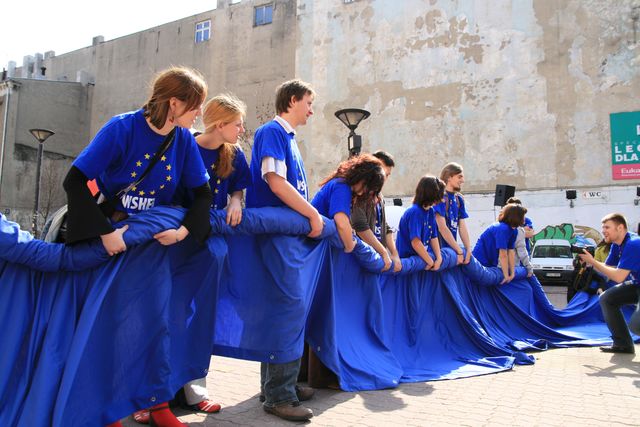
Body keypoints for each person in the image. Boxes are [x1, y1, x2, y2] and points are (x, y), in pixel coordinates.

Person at [62, 66, 212, 427]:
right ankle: (107, 409)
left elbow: (202, 193)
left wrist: (184, 232)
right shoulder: (121, 128)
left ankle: (157, 405)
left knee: (156, 324)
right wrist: (105, 233)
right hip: (114, 243)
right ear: (173, 103)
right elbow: (75, 181)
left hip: (155, 248)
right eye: (194, 105)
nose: (199, 114)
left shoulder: (183, 139)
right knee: (110, 326)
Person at [245, 79, 323, 422]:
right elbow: (275, 182)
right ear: (292, 100)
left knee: (284, 308)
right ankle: (279, 394)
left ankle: (278, 386)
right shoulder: (272, 132)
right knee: (289, 307)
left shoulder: (287, 138)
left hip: (285, 235)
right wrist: (312, 213)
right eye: (309, 103)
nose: (311, 110)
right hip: (276, 235)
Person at [578, 213, 640, 354]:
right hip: (637, 284)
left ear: (620, 228)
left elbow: (618, 277)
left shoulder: (633, 243)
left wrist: (593, 261)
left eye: (607, 227)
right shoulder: (617, 244)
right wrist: (589, 263)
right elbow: (608, 269)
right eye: (603, 227)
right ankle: (623, 344)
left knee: (637, 326)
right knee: (607, 298)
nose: (603, 231)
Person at [311, 154, 385, 252]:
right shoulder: (342, 187)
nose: (366, 192)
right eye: (368, 186)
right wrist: (350, 245)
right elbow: (341, 223)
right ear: (363, 178)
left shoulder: (341, 185)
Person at [350, 151, 402, 272]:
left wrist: (394, 254)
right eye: (383, 173)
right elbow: (360, 226)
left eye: (387, 175)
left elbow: (385, 227)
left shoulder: (380, 196)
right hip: (361, 261)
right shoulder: (361, 193)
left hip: (377, 261)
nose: (384, 178)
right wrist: (384, 252)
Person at [395, 175, 445, 270]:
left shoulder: (430, 211)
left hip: (422, 259)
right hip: (408, 262)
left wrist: (439, 258)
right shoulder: (415, 212)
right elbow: (416, 242)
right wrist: (430, 261)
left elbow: (433, 237)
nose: (441, 199)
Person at [472, 203, 527, 284]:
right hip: (481, 261)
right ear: (516, 216)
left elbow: (510, 252)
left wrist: (512, 273)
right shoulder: (502, 229)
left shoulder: (513, 230)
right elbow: (503, 254)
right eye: (523, 216)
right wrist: (506, 276)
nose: (524, 218)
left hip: (491, 262)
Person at [434, 162, 472, 265]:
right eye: (459, 177)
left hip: (452, 252)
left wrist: (468, 249)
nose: (463, 180)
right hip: (439, 254)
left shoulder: (458, 199)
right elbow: (442, 228)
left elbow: (462, 227)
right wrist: (459, 250)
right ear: (449, 177)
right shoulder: (440, 198)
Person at [505, 197, 533, 277]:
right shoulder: (505, 225)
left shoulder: (527, 220)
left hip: (524, 255)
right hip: (513, 259)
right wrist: (523, 230)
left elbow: (530, 234)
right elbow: (525, 233)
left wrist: (520, 231)